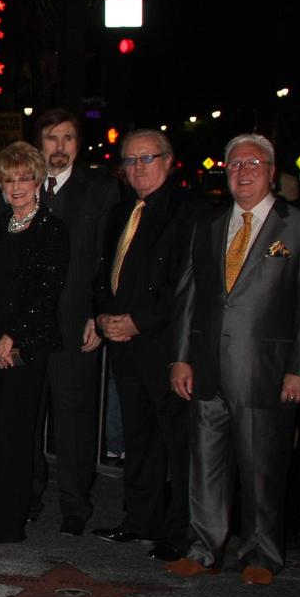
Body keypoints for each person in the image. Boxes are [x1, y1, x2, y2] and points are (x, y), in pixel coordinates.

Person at [168, 134, 300, 585]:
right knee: (205, 464)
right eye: (234, 165)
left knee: (262, 468)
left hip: (265, 372)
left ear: (272, 171)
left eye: (253, 164)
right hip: (208, 368)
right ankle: (203, 547)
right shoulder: (209, 225)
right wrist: (181, 358)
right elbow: (189, 296)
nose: (243, 172)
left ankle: (260, 553)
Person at [92, 128, 200, 562]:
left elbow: (186, 285)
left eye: (147, 159)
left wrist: (138, 321)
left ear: (169, 161)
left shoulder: (188, 211)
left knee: (178, 443)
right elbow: (105, 273)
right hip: (124, 343)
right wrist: (103, 317)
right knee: (138, 438)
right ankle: (140, 520)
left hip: (165, 345)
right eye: (131, 161)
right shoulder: (122, 211)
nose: (138, 168)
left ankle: (180, 531)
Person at [0, 142, 69, 543]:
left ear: (38, 180)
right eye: (9, 179)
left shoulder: (52, 230)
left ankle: (11, 524)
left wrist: (12, 338)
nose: (17, 187)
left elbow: (45, 294)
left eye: (25, 178)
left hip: (25, 348)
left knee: (15, 437)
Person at [31, 108, 119, 535]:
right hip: (27, 325)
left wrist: (96, 314)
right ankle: (29, 498)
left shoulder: (101, 190)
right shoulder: (22, 185)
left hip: (75, 322)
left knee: (73, 420)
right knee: (27, 416)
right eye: (52, 138)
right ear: (40, 144)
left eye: (68, 138)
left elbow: (108, 258)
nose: (60, 147)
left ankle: (74, 506)